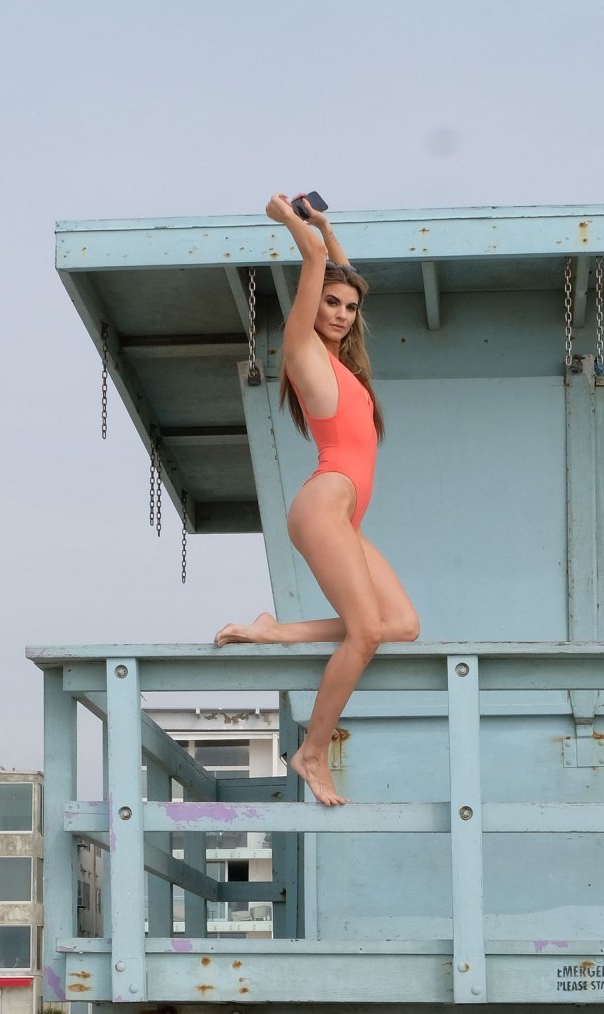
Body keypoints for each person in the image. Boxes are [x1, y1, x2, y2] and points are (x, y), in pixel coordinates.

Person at [214, 193, 419, 806]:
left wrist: (328, 228)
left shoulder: (343, 365)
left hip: (344, 516)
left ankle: (274, 631)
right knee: (364, 633)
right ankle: (312, 751)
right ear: (312, 305)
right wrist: (291, 219)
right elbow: (311, 263)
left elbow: (340, 274)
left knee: (400, 625)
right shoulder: (302, 349)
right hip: (324, 505)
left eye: (350, 307)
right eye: (331, 303)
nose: (342, 314)